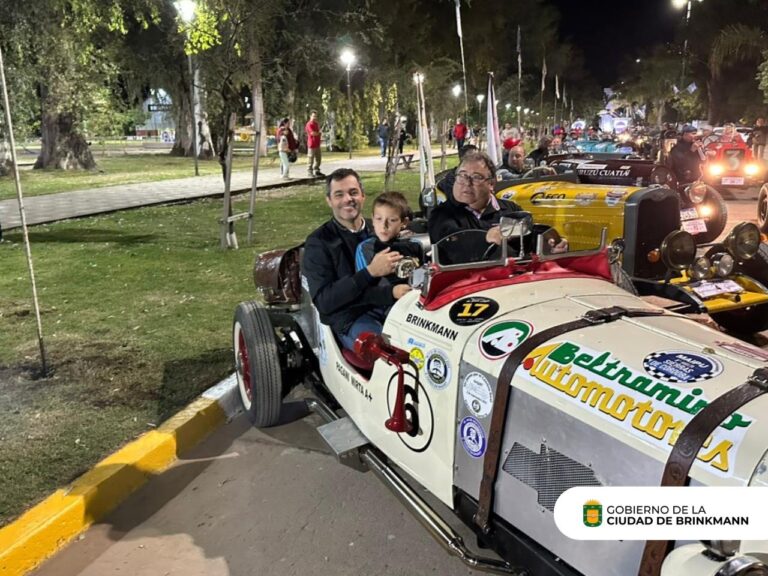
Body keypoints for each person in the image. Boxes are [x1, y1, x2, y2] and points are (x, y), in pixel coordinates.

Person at [303, 169, 410, 351]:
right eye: (339, 195)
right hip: (351, 316)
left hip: (390, 305)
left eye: (353, 192)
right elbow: (324, 302)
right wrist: (370, 273)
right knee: (386, 353)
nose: (347, 199)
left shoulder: (380, 227)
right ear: (329, 201)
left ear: (363, 196)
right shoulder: (318, 242)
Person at [354, 192, 422, 314]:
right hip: (383, 310)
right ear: (373, 220)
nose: (384, 226)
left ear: (404, 223)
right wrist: (392, 292)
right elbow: (362, 290)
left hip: (414, 303)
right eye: (379, 219)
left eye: (392, 220)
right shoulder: (366, 248)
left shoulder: (413, 245)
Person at [305, 110, 324, 177]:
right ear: (310, 116)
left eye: (315, 116)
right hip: (311, 144)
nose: (314, 117)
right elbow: (312, 133)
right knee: (311, 158)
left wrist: (320, 134)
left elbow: (318, 132)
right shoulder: (309, 124)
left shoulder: (316, 124)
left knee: (318, 159)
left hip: (317, 144)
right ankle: (309, 172)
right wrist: (319, 133)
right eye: (313, 116)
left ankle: (317, 170)